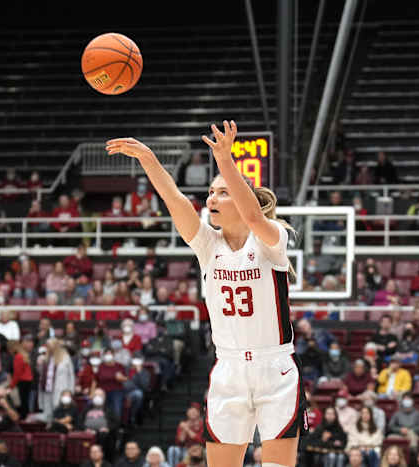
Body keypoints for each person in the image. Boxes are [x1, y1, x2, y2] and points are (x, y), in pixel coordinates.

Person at [107, 122, 304, 467]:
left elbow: (254, 218)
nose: (212, 198)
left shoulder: (271, 240)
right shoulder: (207, 245)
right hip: (227, 367)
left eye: (223, 192)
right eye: (211, 192)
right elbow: (174, 199)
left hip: (275, 368)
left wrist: (225, 159)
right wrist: (150, 160)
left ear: (245, 197)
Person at [37, 338, 75, 423]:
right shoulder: (45, 358)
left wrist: (70, 390)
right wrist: (39, 365)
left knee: (57, 410)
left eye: (50, 346)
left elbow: (71, 375)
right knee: (47, 413)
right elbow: (40, 374)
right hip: (47, 389)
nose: (48, 348)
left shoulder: (65, 357)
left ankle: (56, 428)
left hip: (60, 389)